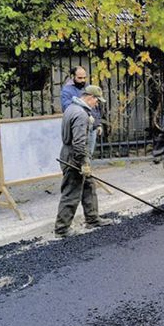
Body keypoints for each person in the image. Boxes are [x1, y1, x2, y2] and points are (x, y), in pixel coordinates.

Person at [54, 85, 111, 237]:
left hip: (71, 154)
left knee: (89, 186)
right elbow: (79, 143)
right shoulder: (80, 114)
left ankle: (92, 219)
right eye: (97, 101)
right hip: (75, 158)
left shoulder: (72, 108)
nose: (97, 104)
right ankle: (61, 229)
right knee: (71, 192)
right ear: (90, 97)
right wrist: (84, 163)